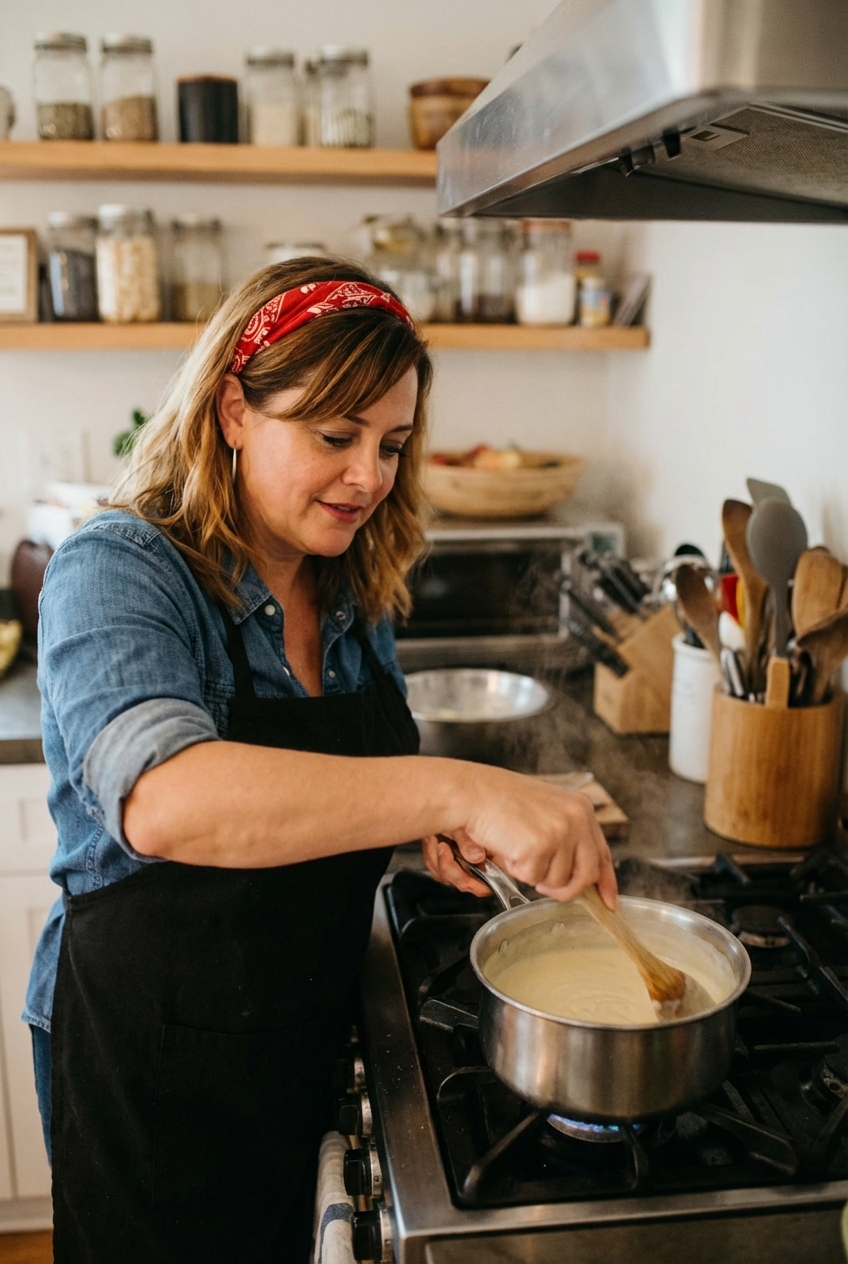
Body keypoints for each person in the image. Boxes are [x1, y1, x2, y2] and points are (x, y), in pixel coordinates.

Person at [25, 257, 617, 1263]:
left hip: (295, 1027)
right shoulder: (120, 567)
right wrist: (456, 784)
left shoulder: (350, 581)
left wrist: (419, 818)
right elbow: (168, 799)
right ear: (232, 410)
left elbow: (340, 780)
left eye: (390, 443)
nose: (369, 477)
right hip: (150, 1065)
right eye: (334, 436)